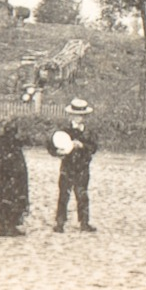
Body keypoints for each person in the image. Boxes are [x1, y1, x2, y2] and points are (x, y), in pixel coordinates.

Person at [49, 98, 99, 233]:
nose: (78, 118)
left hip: (82, 167)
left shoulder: (89, 132)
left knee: (82, 195)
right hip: (67, 167)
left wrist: (82, 145)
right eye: (76, 115)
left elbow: (94, 147)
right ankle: (60, 223)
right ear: (70, 115)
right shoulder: (63, 131)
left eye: (81, 116)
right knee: (63, 195)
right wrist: (57, 152)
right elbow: (51, 145)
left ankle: (84, 222)